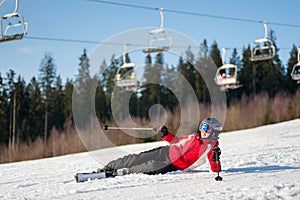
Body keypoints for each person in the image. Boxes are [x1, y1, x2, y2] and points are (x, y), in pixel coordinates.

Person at [99, 117, 223, 177]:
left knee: (150, 166)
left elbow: (215, 169)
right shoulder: (194, 136)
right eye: (202, 126)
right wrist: (166, 134)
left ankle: (121, 171)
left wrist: (215, 158)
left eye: (206, 128)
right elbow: (177, 141)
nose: (202, 130)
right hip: (166, 151)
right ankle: (109, 166)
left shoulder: (211, 148)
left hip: (174, 164)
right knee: (138, 157)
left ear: (214, 131)